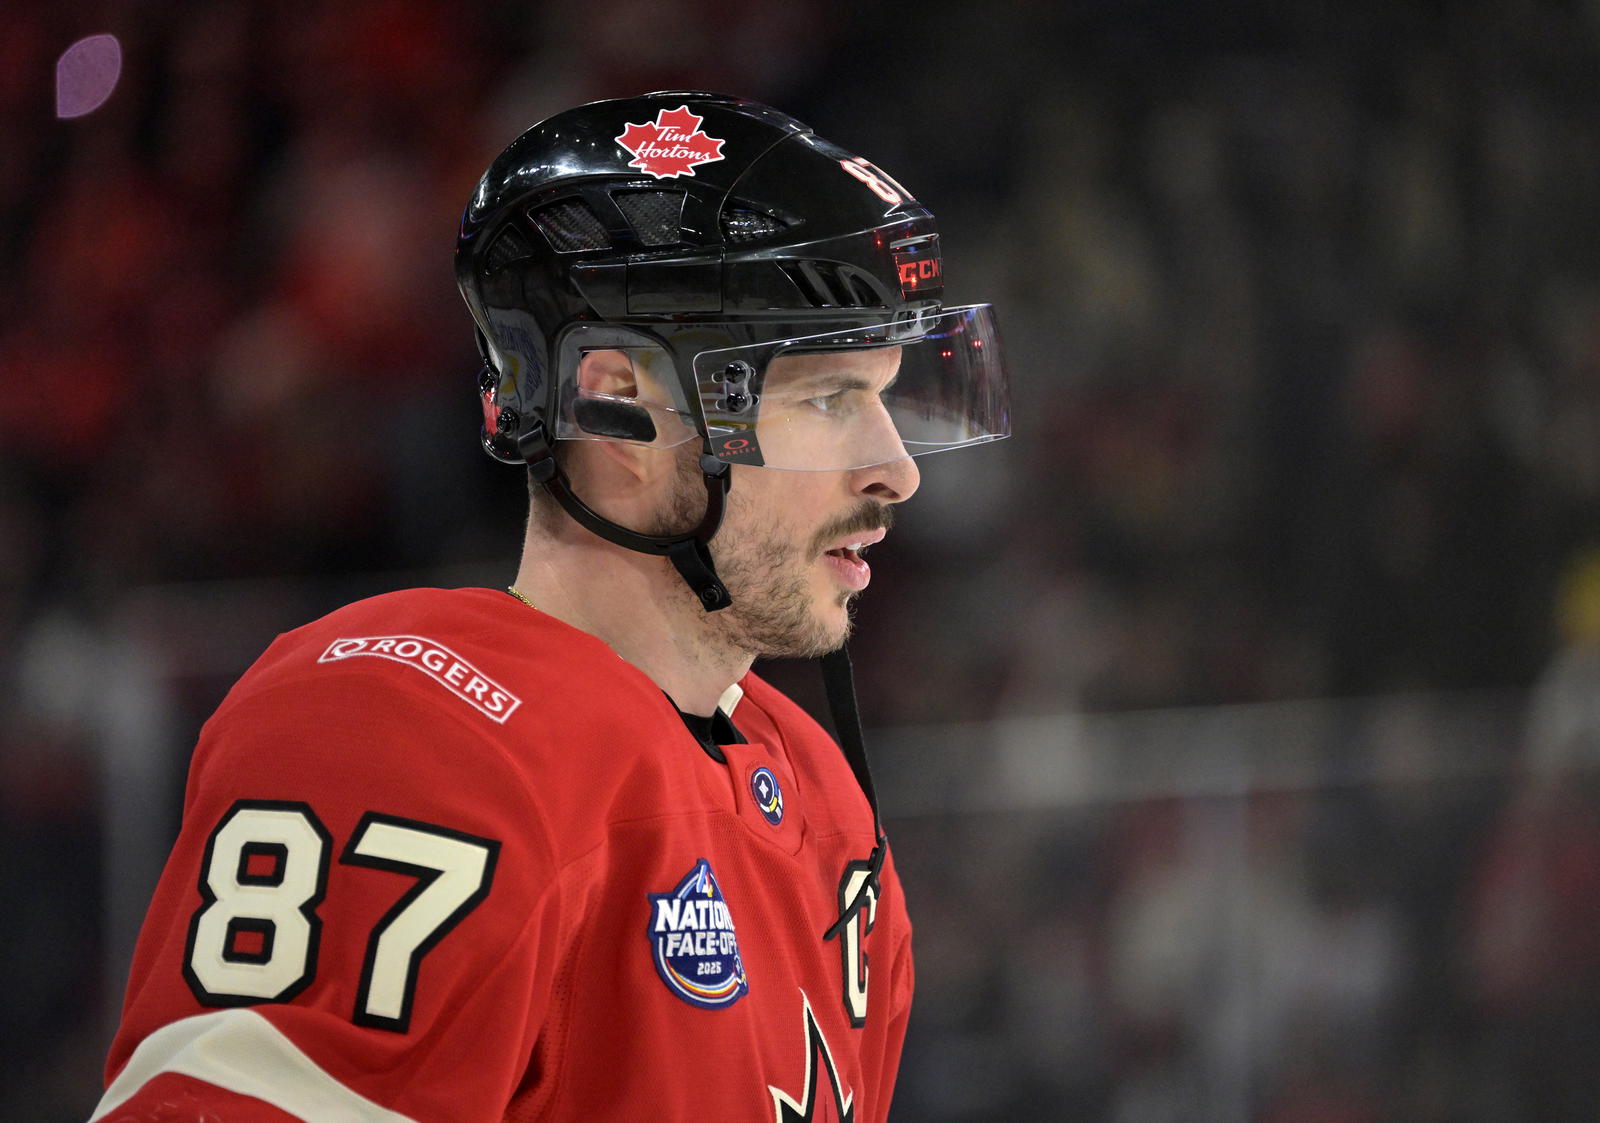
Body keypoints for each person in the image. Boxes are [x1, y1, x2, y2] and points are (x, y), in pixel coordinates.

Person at [93, 91, 1009, 1121]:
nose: (895, 471)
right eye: (829, 398)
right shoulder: (409, 730)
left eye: (885, 396)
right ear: (615, 401)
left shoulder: (829, 814)